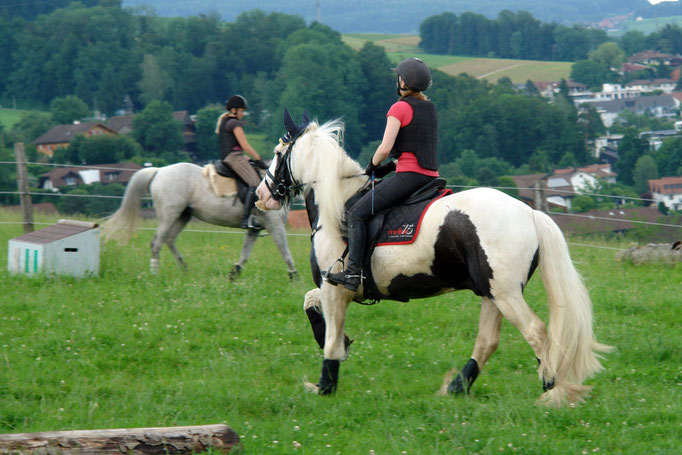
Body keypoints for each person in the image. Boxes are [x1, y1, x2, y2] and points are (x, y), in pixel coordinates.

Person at [326, 57, 439, 292]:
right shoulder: (430, 108)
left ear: (404, 82)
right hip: (430, 177)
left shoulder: (399, 107)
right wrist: (388, 168)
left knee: (356, 213)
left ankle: (352, 273)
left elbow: (385, 148)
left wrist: (371, 165)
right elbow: (413, 146)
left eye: (399, 76)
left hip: (409, 177)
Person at [217, 95, 269, 229]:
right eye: (241, 110)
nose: (243, 113)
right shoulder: (235, 123)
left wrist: (250, 160)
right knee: (256, 183)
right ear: (234, 110)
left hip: (231, 156)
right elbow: (245, 146)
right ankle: (247, 219)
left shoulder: (225, 121)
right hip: (234, 158)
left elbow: (234, 147)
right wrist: (259, 160)